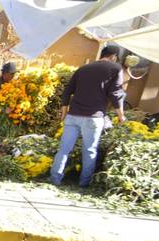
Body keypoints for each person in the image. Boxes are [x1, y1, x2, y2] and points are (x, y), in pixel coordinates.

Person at [50, 45, 126, 187]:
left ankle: (55, 179)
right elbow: (115, 93)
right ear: (114, 56)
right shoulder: (116, 69)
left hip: (73, 116)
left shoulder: (83, 68)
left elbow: (67, 91)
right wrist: (121, 115)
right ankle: (84, 184)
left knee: (64, 149)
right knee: (89, 151)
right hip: (93, 117)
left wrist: (64, 112)